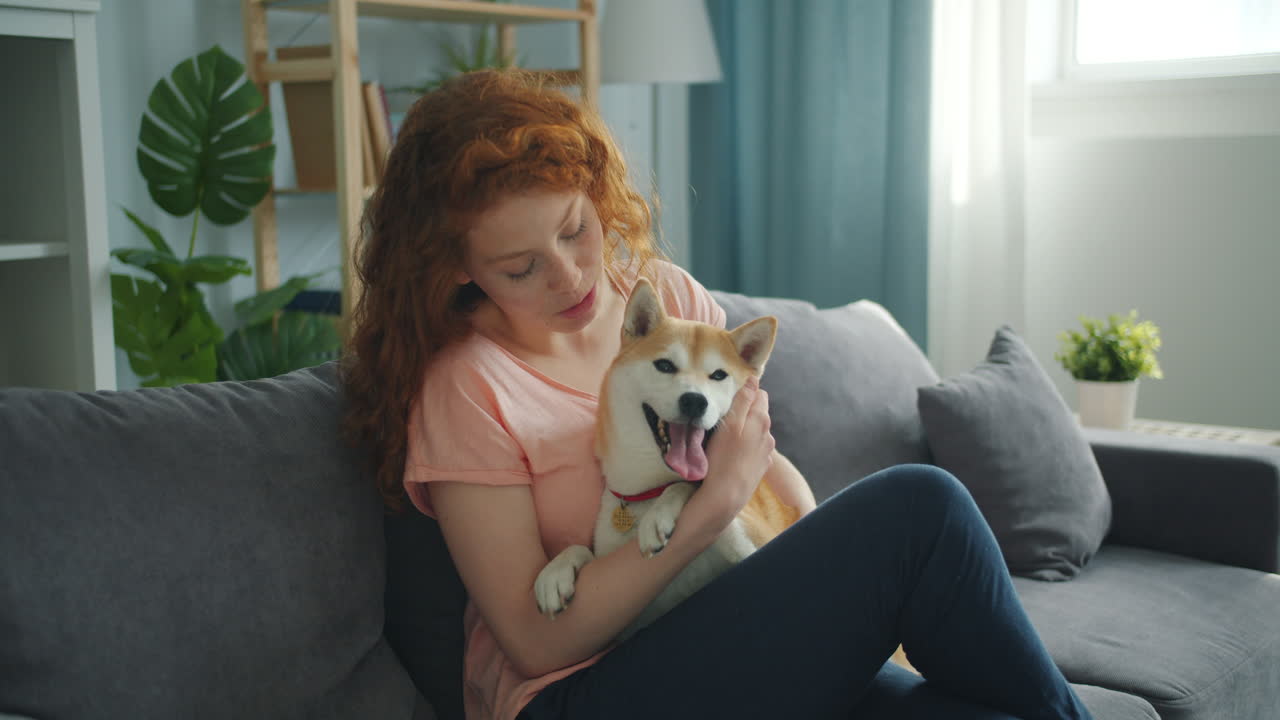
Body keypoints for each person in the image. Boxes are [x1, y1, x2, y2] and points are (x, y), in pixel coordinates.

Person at [342, 69, 1093, 720]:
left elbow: (773, 479)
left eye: (575, 230)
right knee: (923, 507)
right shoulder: (467, 387)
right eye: (520, 267)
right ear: (460, 270)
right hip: (585, 691)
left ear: (595, 195)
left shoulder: (666, 302)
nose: (569, 275)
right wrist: (712, 505)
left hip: (735, 633)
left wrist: (835, 589)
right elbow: (536, 642)